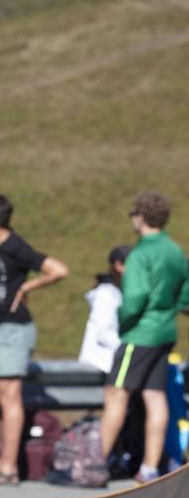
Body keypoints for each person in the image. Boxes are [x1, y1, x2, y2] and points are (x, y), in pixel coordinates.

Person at [0, 191, 69, 484]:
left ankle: (8, 467)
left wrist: (27, 288)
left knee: (10, 396)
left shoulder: (16, 246)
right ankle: (4, 461)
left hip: (14, 329)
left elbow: (59, 270)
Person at [99, 193, 189, 483]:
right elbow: (185, 293)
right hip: (165, 331)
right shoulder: (175, 251)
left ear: (140, 216)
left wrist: (124, 321)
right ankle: (150, 467)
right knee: (155, 396)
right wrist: (169, 309)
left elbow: (135, 298)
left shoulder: (140, 254)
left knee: (116, 393)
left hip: (140, 333)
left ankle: (97, 461)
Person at [78, 245, 132, 374]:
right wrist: (131, 349)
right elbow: (103, 332)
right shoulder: (105, 294)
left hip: (115, 364)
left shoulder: (120, 293)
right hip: (102, 365)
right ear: (119, 265)